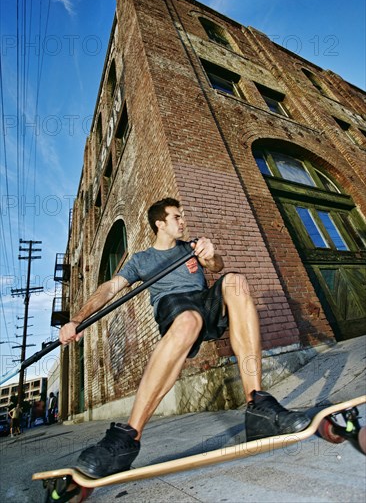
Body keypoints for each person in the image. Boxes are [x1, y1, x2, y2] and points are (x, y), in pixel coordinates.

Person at [60, 197, 310, 478]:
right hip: (174, 306)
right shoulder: (142, 260)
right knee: (190, 319)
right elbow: (109, 289)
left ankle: (259, 407)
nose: (183, 221)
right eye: (176, 217)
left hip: (204, 300)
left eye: (182, 216)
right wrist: (77, 319)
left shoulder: (191, 247)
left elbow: (215, 266)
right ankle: (126, 438)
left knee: (235, 281)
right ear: (160, 224)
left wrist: (210, 254)